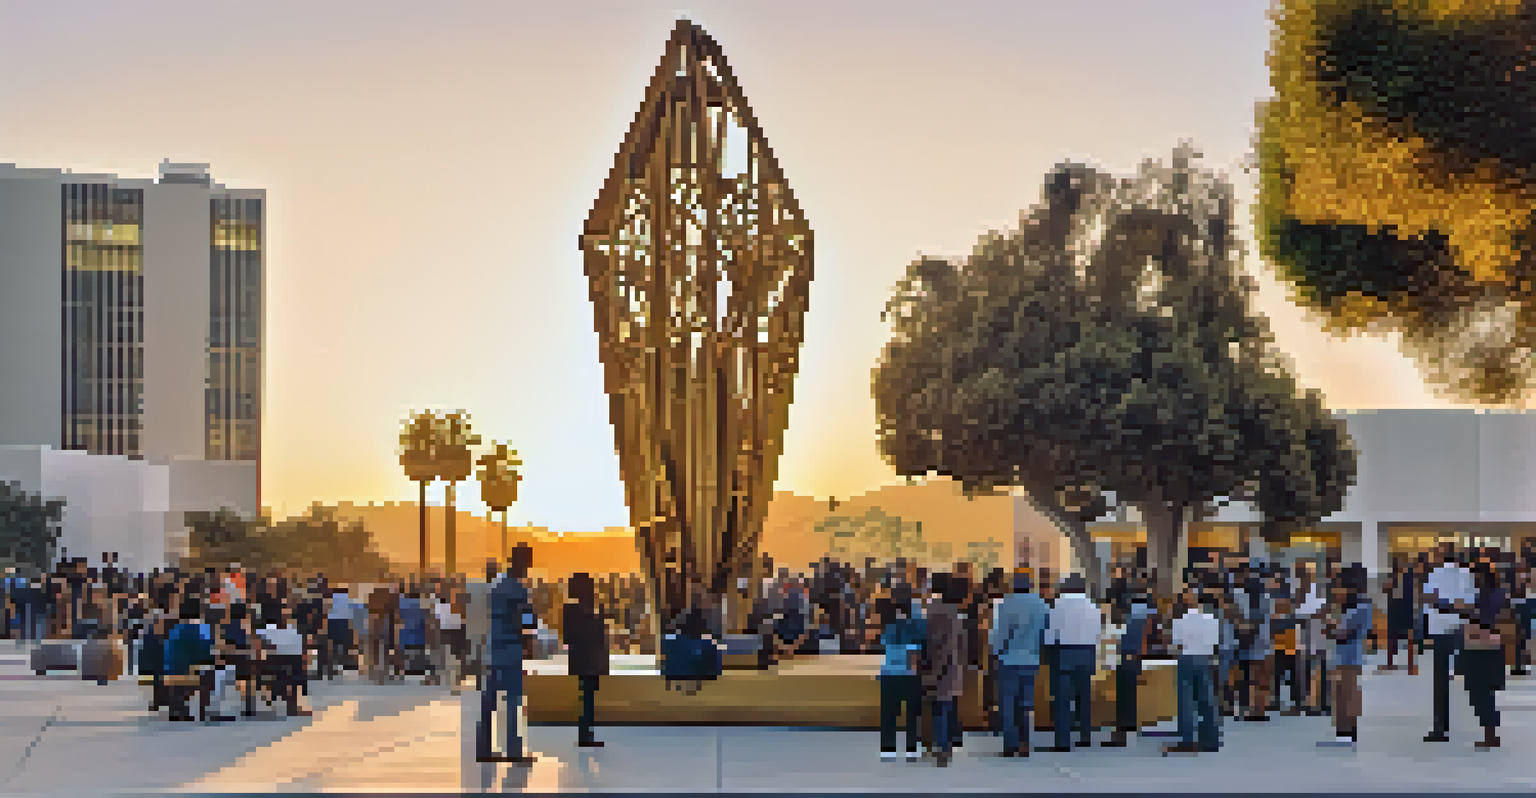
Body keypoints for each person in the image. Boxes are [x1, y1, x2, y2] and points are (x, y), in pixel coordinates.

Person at [477, 544, 538, 764]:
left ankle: (483, 748)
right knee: (513, 698)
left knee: (489, 699)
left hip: (495, 646)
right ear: (523, 562)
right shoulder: (518, 589)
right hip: (511, 646)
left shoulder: (497, 585)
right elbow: (526, 618)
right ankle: (513, 749)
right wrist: (529, 640)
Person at [990, 570, 1049, 758]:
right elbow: (1045, 634)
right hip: (1031, 660)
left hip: (1009, 659)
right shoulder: (1042, 605)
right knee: (1026, 704)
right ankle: (1025, 743)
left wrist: (995, 652)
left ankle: (1010, 745)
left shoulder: (1007, 604)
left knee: (1007, 703)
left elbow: (1001, 635)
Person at [1422, 543, 1475, 743]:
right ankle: (1486, 724)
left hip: (1439, 629)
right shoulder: (1467, 574)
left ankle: (1440, 727)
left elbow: (1428, 601)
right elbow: (1470, 602)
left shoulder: (1434, 573)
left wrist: (1431, 622)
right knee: (1474, 677)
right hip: (1461, 627)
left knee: (1440, 680)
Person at [1043, 574, 1101, 752]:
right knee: (1084, 698)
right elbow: (1098, 634)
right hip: (1087, 654)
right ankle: (1085, 736)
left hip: (1064, 654)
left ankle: (1062, 741)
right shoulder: (1093, 607)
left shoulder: (1058, 606)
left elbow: (1050, 635)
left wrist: (1048, 653)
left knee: (1062, 699)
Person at [1163, 585, 1221, 755]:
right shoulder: (1212, 619)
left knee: (1185, 701)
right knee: (1207, 700)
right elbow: (1215, 643)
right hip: (1205, 659)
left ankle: (1188, 739)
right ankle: (1211, 740)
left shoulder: (1179, 621)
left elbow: (1177, 644)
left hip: (1187, 659)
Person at [1320, 564, 1371, 747]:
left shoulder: (1362, 608)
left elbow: (1343, 633)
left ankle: (1349, 732)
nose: (1336, 590)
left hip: (1351, 658)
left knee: (1348, 694)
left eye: (1340, 586)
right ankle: (1341, 732)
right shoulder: (1347, 608)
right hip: (1341, 656)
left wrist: (1330, 623)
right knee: (1339, 694)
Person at [1461, 564, 1508, 750]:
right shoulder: (1497, 594)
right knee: (1484, 692)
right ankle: (1491, 733)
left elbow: (1483, 620)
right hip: (1491, 647)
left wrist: (1464, 611)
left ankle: (1490, 734)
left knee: (1480, 692)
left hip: (1481, 648)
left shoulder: (1483, 596)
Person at [562, 572, 610, 748]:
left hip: (588, 658)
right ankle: (585, 735)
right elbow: (573, 636)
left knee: (588, 697)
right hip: (587, 659)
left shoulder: (579, 609)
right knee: (587, 698)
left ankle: (587, 734)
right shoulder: (577, 610)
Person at [1105, 590, 1153, 746]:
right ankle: (1129, 728)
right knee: (1130, 694)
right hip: (1135, 657)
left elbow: (1116, 638)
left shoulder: (1127, 618)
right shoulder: (1142, 615)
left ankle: (1121, 733)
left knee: (1124, 696)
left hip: (1125, 657)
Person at [1382, 555, 1420, 674]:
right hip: (1394, 609)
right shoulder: (1391, 577)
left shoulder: (1410, 576)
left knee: (1409, 639)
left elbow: (1415, 592)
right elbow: (1384, 589)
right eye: (1397, 563)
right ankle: (1390, 663)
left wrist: (1415, 608)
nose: (1400, 566)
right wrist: (1388, 586)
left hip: (1406, 609)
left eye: (1402, 563)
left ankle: (1411, 665)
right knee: (1391, 638)